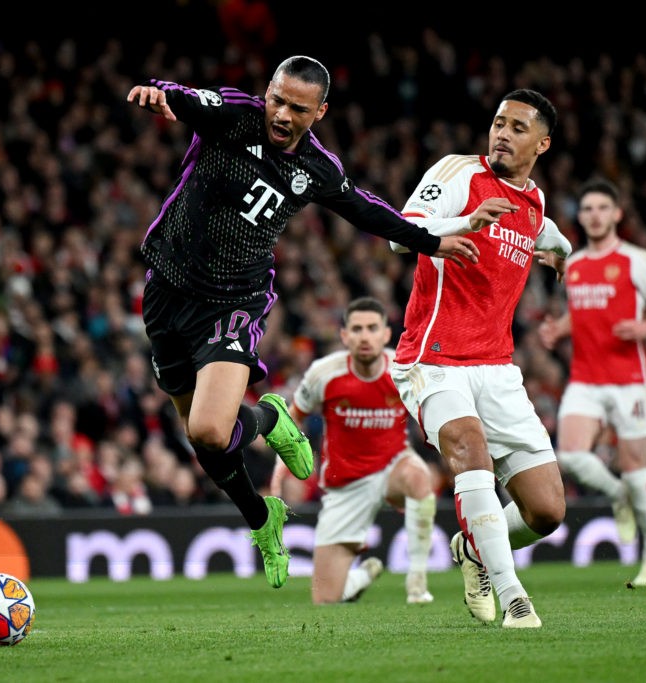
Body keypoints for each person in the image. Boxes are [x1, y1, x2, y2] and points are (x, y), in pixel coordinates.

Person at [126, 55, 479, 590]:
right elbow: (187, 95)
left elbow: (364, 208)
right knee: (203, 444)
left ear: (320, 111)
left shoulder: (316, 168)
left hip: (232, 300)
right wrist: (160, 94)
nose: (283, 114)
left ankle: (268, 419)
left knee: (208, 428)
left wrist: (430, 241)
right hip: (167, 288)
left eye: (298, 107)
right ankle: (262, 518)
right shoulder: (236, 116)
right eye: (278, 99)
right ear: (266, 92)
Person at [389, 89, 572, 628]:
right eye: (498, 123)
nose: (502, 134)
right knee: (470, 449)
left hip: (497, 368)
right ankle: (515, 596)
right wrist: (465, 223)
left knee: (547, 511)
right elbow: (401, 238)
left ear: (542, 144)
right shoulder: (457, 173)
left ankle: (474, 549)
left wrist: (560, 255)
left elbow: (553, 237)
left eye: (517, 128)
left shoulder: (533, 203)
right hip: (434, 358)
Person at [538, 178, 646, 588]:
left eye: (603, 207)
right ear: (580, 216)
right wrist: (559, 331)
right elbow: (586, 310)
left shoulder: (637, 260)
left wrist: (645, 326)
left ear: (617, 214)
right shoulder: (576, 264)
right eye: (587, 209)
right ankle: (617, 495)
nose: (595, 215)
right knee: (569, 455)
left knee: (636, 468)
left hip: (628, 380)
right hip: (585, 377)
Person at [274, 296, 436, 605]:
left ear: (386, 335)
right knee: (325, 600)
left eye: (372, 328)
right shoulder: (324, 373)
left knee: (418, 476)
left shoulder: (404, 371)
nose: (365, 336)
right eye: (357, 329)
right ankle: (360, 577)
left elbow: (432, 417)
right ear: (345, 336)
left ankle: (417, 582)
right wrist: (286, 469)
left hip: (392, 468)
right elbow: (292, 420)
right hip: (344, 485)